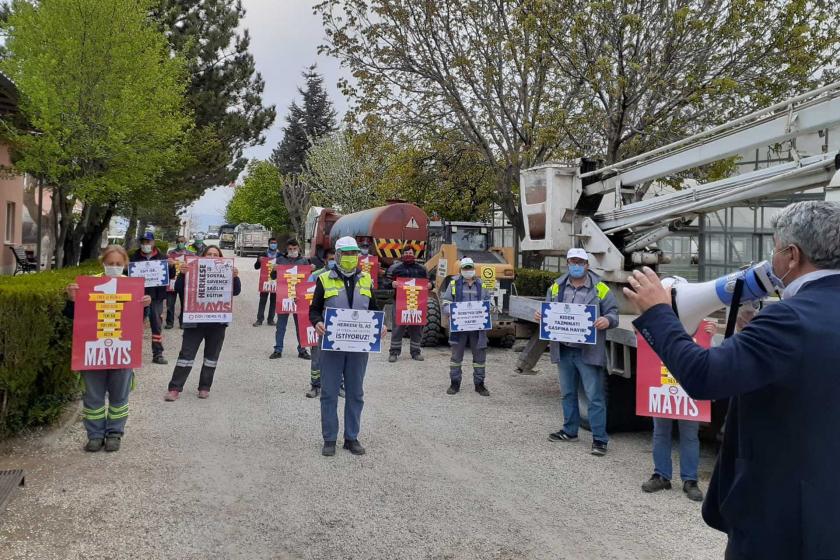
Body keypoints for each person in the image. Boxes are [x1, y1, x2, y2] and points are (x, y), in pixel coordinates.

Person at [623, 200, 840, 560]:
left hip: (785, 522)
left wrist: (660, 312)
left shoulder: (789, 320)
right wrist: (755, 338)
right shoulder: (801, 320)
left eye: (773, 248)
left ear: (791, 255)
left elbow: (703, 376)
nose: (771, 260)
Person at [64, 245, 152, 452]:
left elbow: (138, 321)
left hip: (121, 352)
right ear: (102, 263)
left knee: (119, 397)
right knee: (93, 396)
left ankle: (114, 433)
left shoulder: (131, 287)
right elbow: (71, 317)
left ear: (125, 265)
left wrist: (145, 306)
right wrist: (71, 300)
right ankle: (94, 435)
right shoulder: (88, 284)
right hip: (93, 352)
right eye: (110, 263)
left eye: (118, 264)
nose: (114, 267)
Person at [538, 248, 618, 456]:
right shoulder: (556, 287)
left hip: (588, 352)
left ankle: (599, 439)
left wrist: (606, 320)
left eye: (580, 262)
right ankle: (569, 430)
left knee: (594, 397)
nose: (576, 265)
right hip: (564, 350)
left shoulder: (601, 288)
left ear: (587, 265)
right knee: (568, 393)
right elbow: (549, 309)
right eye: (573, 261)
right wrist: (542, 315)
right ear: (567, 263)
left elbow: (614, 313)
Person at [309, 237, 382, 457]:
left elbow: (374, 309)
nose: (352, 258)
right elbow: (314, 310)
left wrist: (382, 326)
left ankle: (351, 438)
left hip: (359, 348)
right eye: (347, 254)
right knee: (329, 392)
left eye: (354, 254)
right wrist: (317, 322)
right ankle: (329, 438)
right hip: (332, 346)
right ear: (338, 256)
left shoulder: (367, 279)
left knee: (355, 393)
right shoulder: (324, 279)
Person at [642, 320, 718, 502]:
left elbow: (709, 353)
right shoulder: (660, 324)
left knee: (690, 436)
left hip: (688, 393)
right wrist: (641, 333)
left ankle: (690, 480)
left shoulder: (697, 326)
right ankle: (661, 476)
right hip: (663, 387)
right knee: (661, 433)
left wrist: (710, 337)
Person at [165, 245, 241, 401]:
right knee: (186, 356)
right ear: (202, 256)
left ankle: (205, 387)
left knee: (211, 357)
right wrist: (182, 274)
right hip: (195, 322)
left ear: (221, 258)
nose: (212, 256)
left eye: (216, 254)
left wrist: (235, 277)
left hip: (217, 323)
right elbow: (179, 289)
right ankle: (174, 388)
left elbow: (236, 291)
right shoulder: (191, 269)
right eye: (209, 254)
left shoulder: (227, 271)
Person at [442, 257, 491, 397]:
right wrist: (452, 311)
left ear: (474, 269)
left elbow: (488, 302)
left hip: (478, 330)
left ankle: (479, 385)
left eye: (470, 268)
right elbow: (445, 304)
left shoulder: (482, 284)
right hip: (459, 329)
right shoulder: (453, 284)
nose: (468, 271)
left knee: (480, 359)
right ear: (461, 270)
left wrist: (490, 308)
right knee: (456, 357)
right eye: (465, 268)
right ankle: (454, 383)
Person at [130, 232, 171, 365]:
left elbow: (170, 276)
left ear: (153, 242)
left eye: (148, 242)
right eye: (143, 242)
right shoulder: (134, 257)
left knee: (156, 324)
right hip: (137, 296)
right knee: (134, 324)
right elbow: (126, 275)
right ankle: (130, 353)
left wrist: (171, 266)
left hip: (156, 296)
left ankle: (158, 354)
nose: (145, 244)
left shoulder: (162, 257)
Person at [305, 249, 341, 399]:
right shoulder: (315, 275)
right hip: (319, 323)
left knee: (339, 357)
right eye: (331, 259)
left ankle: (339, 385)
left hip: (338, 325)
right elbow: (303, 293)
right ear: (325, 260)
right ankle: (315, 385)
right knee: (317, 357)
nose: (333, 261)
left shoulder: (343, 277)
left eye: (335, 258)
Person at [270, 238, 311, 360]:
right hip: (284, 297)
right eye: (290, 249)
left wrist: (311, 269)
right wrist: (274, 270)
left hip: (299, 298)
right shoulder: (280, 259)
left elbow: (309, 279)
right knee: (281, 325)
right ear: (286, 249)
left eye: (294, 248)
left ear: (299, 248)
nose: (292, 251)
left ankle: (302, 349)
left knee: (300, 325)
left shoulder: (304, 261)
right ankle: (278, 349)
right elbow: (273, 276)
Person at [386, 246, 427, 362]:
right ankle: (394, 352)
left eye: (410, 252)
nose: (409, 254)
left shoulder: (422, 269)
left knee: (417, 327)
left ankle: (415, 352)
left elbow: (428, 282)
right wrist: (391, 283)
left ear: (414, 254)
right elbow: (385, 281)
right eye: (406, 252)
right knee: (398, 327)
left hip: (417, 302)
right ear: (402, 254)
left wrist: (430, 286)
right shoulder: (395, 268)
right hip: (400, 302)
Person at [165, 236, 193, 330]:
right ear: (176, 242)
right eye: (179, 241)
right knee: (169, 305)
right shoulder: (170, 253)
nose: (180, 243)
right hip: (171, 282)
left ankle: (182, 322)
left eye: (182, 241)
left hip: (184, 282)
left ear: (185, 243)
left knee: (184, 304)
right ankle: (169, 322)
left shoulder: (190, 254)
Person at [253, 237, 279, 327]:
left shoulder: (280, 255)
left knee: (274, 301)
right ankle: (259, 320)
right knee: (262, 300)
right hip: (265, 282)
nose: (273, 244)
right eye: (272, 243)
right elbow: (256, 267)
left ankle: (271, 320)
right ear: (269, 244)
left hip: (276, 281)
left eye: (275, 243)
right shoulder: (263, 254)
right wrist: (259, 261)